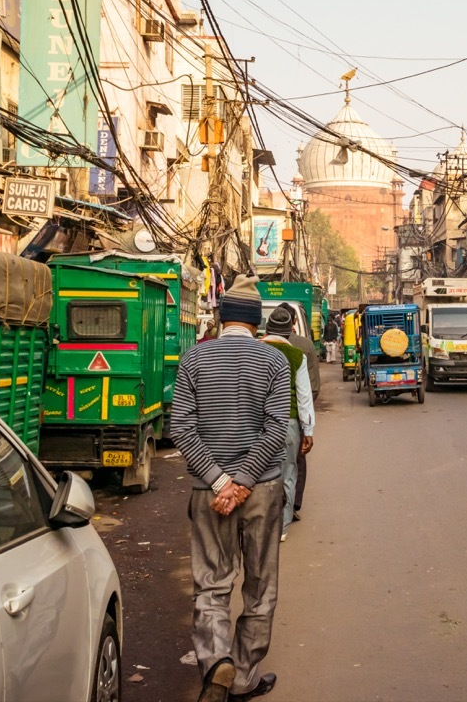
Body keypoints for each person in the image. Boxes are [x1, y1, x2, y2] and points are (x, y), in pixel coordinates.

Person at [169, 276, 289, 702]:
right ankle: (240, 676)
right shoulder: (274, 362)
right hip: (263, 488)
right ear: (256, 322)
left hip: (208, 491)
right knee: (259, 587)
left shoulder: (193, 360)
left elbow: (179, 426)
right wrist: (242, 482)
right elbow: (278, 429)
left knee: (211, 584)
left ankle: (215, 662)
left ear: (221, 317)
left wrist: (221, 481)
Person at [262, 306, 315, 542]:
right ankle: (282, 527)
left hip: (260, 422)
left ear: (267, 328)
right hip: (290, 423)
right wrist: (309, 431)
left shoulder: (256, 351)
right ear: (290, 330)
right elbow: (304, 397)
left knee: (260, 474)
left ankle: (260, 521)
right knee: (289, 474)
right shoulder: (297, 356)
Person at [277, 303, 320, 522]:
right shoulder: (304, 346)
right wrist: (307, 423)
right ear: (294, 322)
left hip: (264, 418)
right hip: (294, 417)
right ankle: (292, 507)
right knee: (295, 464)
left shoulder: (260, 346)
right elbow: (311, 387)